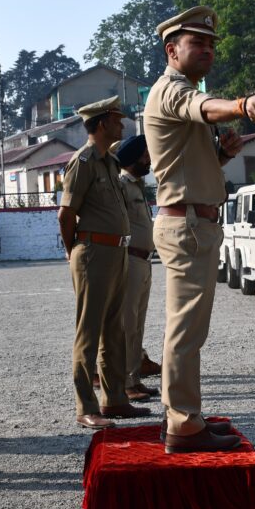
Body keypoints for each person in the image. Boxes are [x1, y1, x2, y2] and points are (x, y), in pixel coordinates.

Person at [143, 6, 255, 453]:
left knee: (188, 330)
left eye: (211, 44)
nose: (208, 50)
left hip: (192, 222)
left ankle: (184, 417)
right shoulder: (171, 91)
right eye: (198, 43)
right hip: (188, 226)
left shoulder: (180, 94)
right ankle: (182, 422)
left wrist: (222, 156)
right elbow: (202, 106)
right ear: (171, 49)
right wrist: (240, 105)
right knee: (185, 331)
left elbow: (186, 167)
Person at [58, 96, 150, 430]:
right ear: (101, 124)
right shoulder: (83, 161)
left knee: (115, 330)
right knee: (89, 332)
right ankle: (86, 406)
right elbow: (66, 214)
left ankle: (115, 400)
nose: (122, 125)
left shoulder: (109, 162)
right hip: (93, 253)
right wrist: (74, 253)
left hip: (116, 253)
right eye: (116, 119)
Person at [106, 134, 159, 403]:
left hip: (144, 261)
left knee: (137, 325)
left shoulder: (136, 186)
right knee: (127, 325)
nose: (149, 159)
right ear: (134, 158)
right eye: (145, 155)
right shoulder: (122, 185)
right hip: (129, 261)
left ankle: (135, 378)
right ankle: (126, 383)